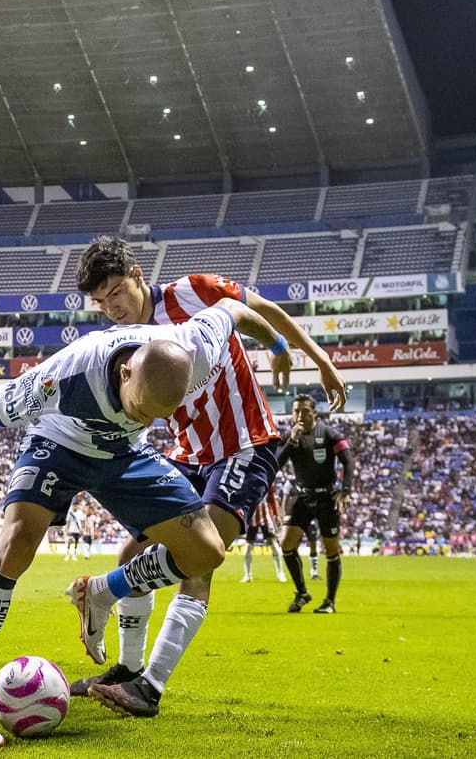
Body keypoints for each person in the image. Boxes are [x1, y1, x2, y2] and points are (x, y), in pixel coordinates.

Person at [0, 298, 295, 747]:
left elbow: (233, 309)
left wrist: (279, 346)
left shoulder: (194, 344)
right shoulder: (65, 374)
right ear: (125, 373)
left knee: (206, 552)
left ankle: (102, 591)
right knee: (16, 542)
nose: (146, 417)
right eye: (142, 407)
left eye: (158, 414)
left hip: (125, 453)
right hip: (59, 443)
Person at [60, 236, 347, 718]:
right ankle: (128, 670)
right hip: (187, 454)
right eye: (101, 303)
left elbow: (260, 309)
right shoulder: (122, 342)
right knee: (132, 552)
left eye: (116, 294)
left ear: (137, 274)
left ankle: (149, 685)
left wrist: (311, 357)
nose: (112, 309)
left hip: (245, 444)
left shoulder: (194, 292)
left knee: (199, 560)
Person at [278, 394, 356, 615]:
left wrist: (345, 491)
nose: (299, 415)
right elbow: (277, 463)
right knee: (286, 543)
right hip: (302, 497)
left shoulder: (329, 434)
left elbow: (348, 461)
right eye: (296, 411)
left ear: (314, 412)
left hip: (326, 498)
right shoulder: (291, 436)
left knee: (331, 550)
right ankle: (302, 593)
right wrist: (291, 441)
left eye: (304, 410)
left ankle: (329, 601)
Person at [241, 490, 286, 583]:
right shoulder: (247, 483)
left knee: (274, 545)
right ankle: (247, 575)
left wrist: (276, 515)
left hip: (266, 518)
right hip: (251, 519)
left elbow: (272, 499)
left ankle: (280, 574)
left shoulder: (268, 483)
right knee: (248, 546)